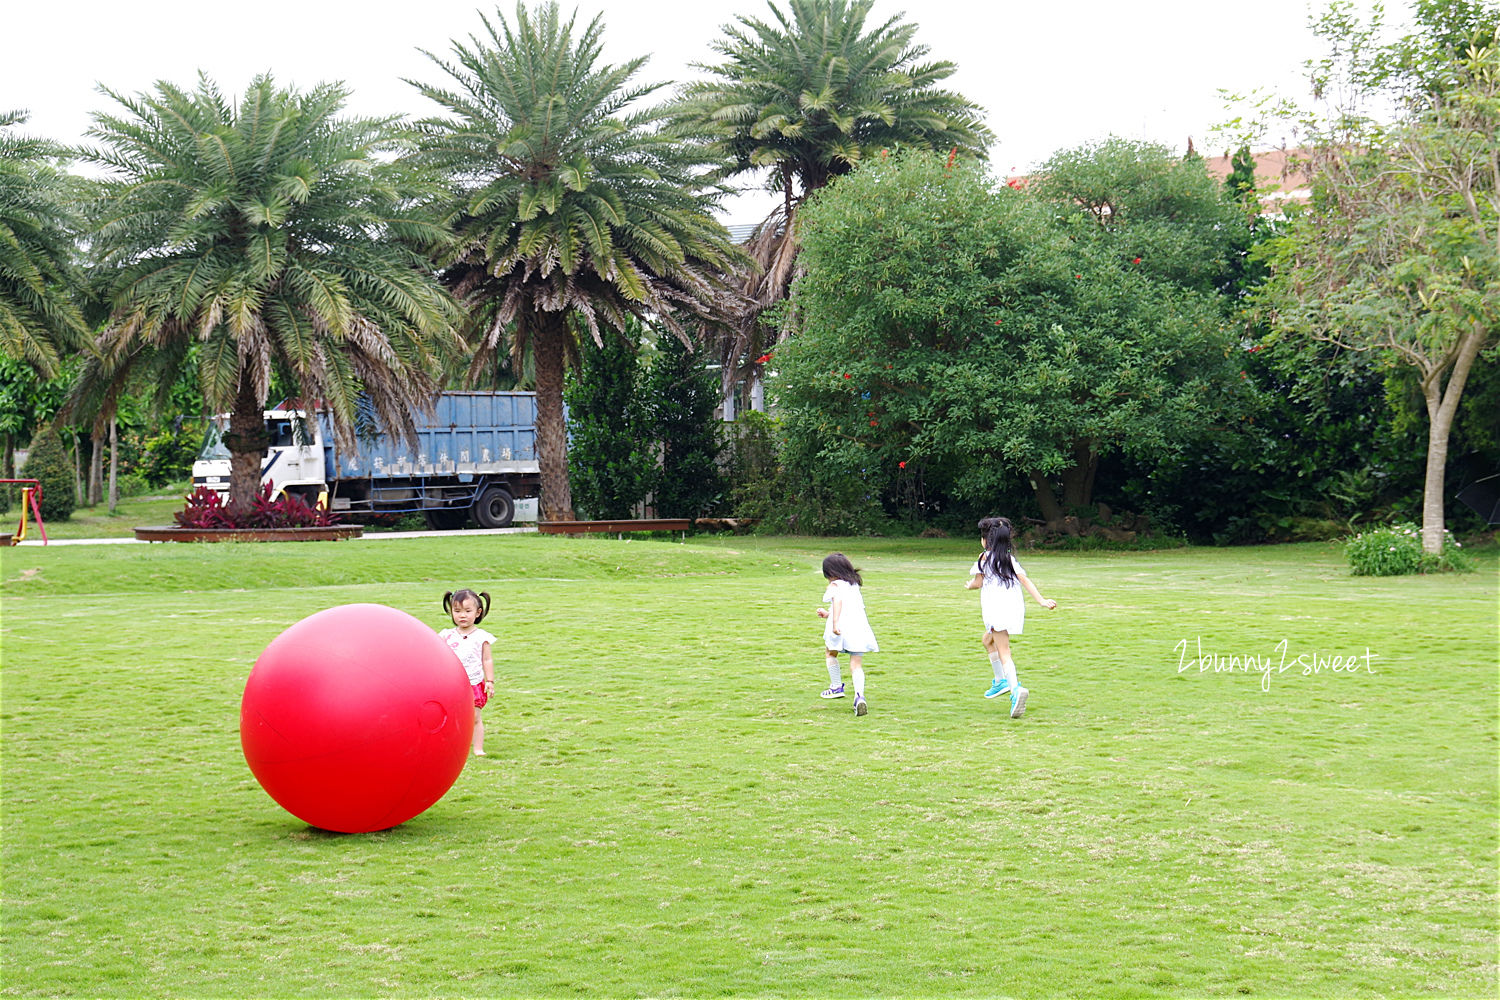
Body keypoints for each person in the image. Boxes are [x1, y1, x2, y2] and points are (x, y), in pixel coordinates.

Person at [966, 517, 1057, 718]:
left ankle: (1015, 690)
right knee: (987, 640)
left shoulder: (984, 558)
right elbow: (1026, 581)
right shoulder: (1009, 559)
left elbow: (977, 583)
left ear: (986, 541)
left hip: (995, 610)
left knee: (1004, 650)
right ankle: (1000, 681)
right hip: (1013, 608)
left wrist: (968, 585)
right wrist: (1041, 600)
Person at [816, 552, 878, 716]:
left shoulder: (835, 586)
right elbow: (851, 608)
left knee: (830, 653)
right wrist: (828, 614)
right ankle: (860, 697)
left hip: (841, 627)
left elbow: (838, 602)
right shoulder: (854, 585)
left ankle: (836, 686)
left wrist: (834, 623)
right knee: (856, 664)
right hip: (858, 627)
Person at [439, 588, 496, 756]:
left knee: (475, 718)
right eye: (457, 611)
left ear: (478, 613)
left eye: (467, 611)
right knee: (451, 718)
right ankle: (452, 747)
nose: (462, 615)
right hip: (452, 685)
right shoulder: (446, 635)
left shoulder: (482, 637)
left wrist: (490, 681)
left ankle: (478, 748)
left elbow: (487, 660)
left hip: (474, 683)